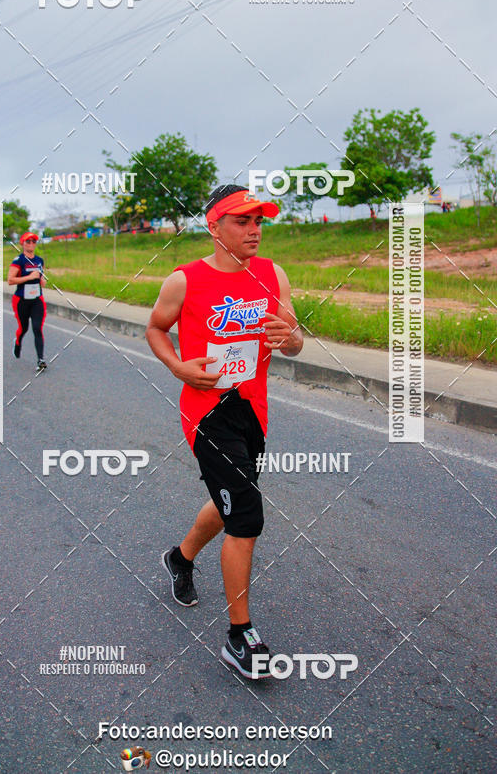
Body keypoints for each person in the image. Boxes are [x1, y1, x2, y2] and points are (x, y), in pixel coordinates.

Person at [146, 184, 304, 679]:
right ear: (214, 227)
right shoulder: (184, 281)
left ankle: (179, 556)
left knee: (233, 496)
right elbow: (155, 328)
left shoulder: (273, 273)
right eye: (242, 221)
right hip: (206, 411)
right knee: (246, 513)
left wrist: (292, 337)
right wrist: (177, 367)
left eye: (259, 220)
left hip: (252, 410)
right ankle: (240, 637)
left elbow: (293, 342)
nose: (254, 229)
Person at [8, 232, 48, 372]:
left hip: (37, 299)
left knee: (37, 328)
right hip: (21, 300)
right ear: (22, 243)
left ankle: (40, 360)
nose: (31, 244)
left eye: (33, 241)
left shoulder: (39, 260)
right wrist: (29, 277)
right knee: (23, 328)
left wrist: (41, 280)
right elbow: (10, 280)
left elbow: (41, 276)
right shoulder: (18, 260)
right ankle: (17, 343)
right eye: (28, 241)